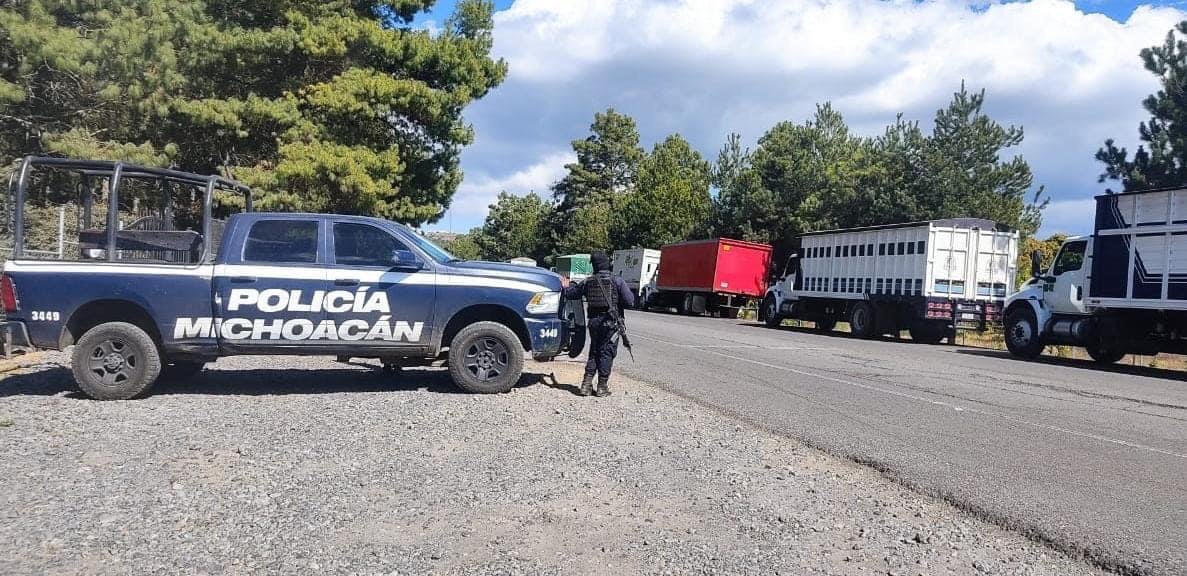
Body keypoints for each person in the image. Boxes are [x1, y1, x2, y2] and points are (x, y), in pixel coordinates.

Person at [562, 251, 635, 397]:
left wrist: (566, 285)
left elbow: (570, 294)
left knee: (594, 351)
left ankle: (585, 385)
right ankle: (602, 387)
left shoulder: (588, 281)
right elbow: (630, 301)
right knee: (606, 352)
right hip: (611, 323)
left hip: (594, 323)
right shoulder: (617, 281)